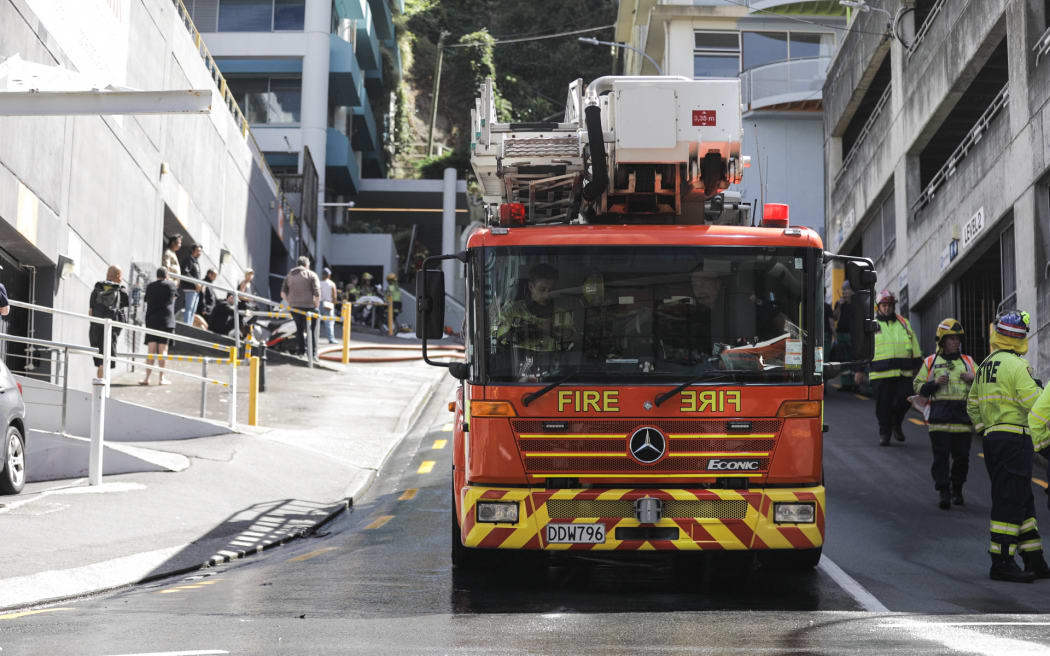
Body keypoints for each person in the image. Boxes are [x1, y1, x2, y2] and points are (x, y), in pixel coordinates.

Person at [967, 311, 1049, 582]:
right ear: (1020, 338)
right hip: (1016, 438)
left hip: (994, 440)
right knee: (1010, 502)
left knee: (1021, 499)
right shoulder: (1017, 366)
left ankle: (1034, 560)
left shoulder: (985, 365)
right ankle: (1001, 561)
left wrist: (985, 430)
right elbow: (1035, 404)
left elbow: (971, 406)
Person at [913, 318, 977, 509]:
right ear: (942, 341)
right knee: (940, 457)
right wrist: (933, 384)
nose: (956, 342)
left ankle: (957, 488)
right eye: (951, 339)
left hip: (962, 420)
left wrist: (973, 380)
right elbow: (917, 386)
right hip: (939, 420)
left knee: (962, 459)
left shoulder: (968, 362)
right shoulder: (931, 362)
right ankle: (944, 491)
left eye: (958, 339)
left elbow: (985, 386)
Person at [869, 290, 922, 446]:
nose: (887, 308)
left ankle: (896, 424)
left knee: (906, 400)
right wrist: (859, 370)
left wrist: (918, 365)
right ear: (878, 307)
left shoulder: (903, 323)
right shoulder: (872, 325)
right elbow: (863, 349)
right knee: (883, 406)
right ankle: (884, 433)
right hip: (880, 373)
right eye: (884, 305)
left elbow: (914, 344)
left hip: (903, 372)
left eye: (890, 305)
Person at [494, 263, 575, 352]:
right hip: (515, 363)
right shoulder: (511, 311)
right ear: (531, 286)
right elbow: (496, 340)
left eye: (551, 290)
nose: (547, 295)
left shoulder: (563, 316)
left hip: (554, 364)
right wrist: (523, 331)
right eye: (542, 289)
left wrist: (551, 330)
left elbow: (572, 345)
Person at [88, 265, 130, 379]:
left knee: (100, 363)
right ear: (118, 276)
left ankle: (98, 390)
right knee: (106, 362)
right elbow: (125, 306)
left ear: (107, 275)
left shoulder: (96, 290)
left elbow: (90, 312)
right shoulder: (121, 291)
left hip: (95, 330)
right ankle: (102, 392)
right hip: (111, 332)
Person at [140, 267, 179, 386]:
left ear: (157, 275)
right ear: (167, 275)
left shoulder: (150, 286)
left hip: (152, 320)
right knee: (163, 350)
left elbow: (146, 300)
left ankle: (147, 378)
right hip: (166, 321)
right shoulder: (171, 285)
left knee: (151, 350)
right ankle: (162, 378)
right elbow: (174, 298)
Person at [281, 256, 320, 357]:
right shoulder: (311, 274)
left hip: (294, 307)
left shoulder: (289, 275)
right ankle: (312, 354)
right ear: (307, 265)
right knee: (311, 330)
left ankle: (301, 352)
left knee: (299, 330)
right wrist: (316, 306)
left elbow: (282, 293)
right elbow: (317, 294)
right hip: (309, 308)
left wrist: (290, 302)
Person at [833, 281, 857, 391]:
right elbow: (835, 318)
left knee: (852, 358)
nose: (844, 292)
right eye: (843, 290)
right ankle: (845, 384)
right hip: (841, 333)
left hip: (851, 333)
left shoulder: (855, 303)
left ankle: (854, 383)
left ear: (851, 291)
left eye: (846, 289)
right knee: (842, 359)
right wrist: (840, 306)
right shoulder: (839, 303)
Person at [179, 244, 202, 324]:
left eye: (200, 251)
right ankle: (186, 325)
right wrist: (195, 283)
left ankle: (190, 324)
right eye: (198, 251)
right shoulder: (188, 260)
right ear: (192, 250)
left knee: (193, 310)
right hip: (190, 288)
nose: (199, 253)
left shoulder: (196, 262)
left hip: (196, 290)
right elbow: (185, 272)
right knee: (189, 308)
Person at [319, 267, 337, 344]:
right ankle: (331, 339)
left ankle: (315, 337)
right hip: (329, 304)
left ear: (323, 275)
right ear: (329, 275)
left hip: (319, 303)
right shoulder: (332, 284)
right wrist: (333, 305)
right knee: (329, 322)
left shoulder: (319, 283)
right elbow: (334, 296)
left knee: (316, 321)